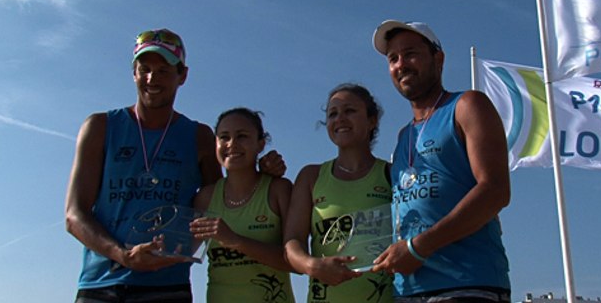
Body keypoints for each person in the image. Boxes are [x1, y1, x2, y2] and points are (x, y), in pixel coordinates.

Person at [65, 28, 285, 303]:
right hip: (101, 285)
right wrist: (122, 255)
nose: (151, 78)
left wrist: (262, 172)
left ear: (182, 76)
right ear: (133, 72)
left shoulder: (200, 137)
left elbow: (223, 198)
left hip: (168, 287)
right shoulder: (100, 127)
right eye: (144, 69)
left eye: (164, 70)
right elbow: (74, 215)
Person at [370, 20, 511, 303]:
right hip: (408, 290)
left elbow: (495, 190)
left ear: (439, 58)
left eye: (410, 53)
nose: (401, 65)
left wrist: (418, 248)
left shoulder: (467, 106)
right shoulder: (402, 136)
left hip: (468, 284)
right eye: (393, 59)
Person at [284, 83, 394, 303]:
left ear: (372, 121)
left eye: (350, 111)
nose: (340, 119)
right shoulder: (311, 176)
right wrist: (313, 266)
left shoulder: (391, 173)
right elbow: (292, 242)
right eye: (332, 114)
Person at [190, 107, 295, 303]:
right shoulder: (205, 197)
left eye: (242, 136)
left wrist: (234, 240)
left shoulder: (278, 190)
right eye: (224, 137)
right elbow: (187, 253)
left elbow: (296, 261)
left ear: (260, 144)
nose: (232, 144)